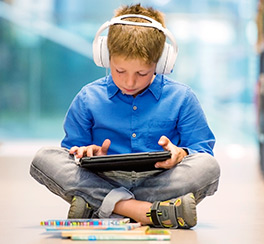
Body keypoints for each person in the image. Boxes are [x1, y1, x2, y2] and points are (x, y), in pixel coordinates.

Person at [29, 4, 220, 229]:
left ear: (161, 62)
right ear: (104, 57)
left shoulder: (182, 97)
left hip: (159, 180)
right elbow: (72, 152)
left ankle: (102, 206)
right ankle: (147, 211)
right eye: (119, 71)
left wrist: (181, 153)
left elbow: (202, 150)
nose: (129, 82)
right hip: (103, 178)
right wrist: (87, 152)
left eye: (142, 73)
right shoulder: (88, 97)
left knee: (208, 166)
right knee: (44, 158)